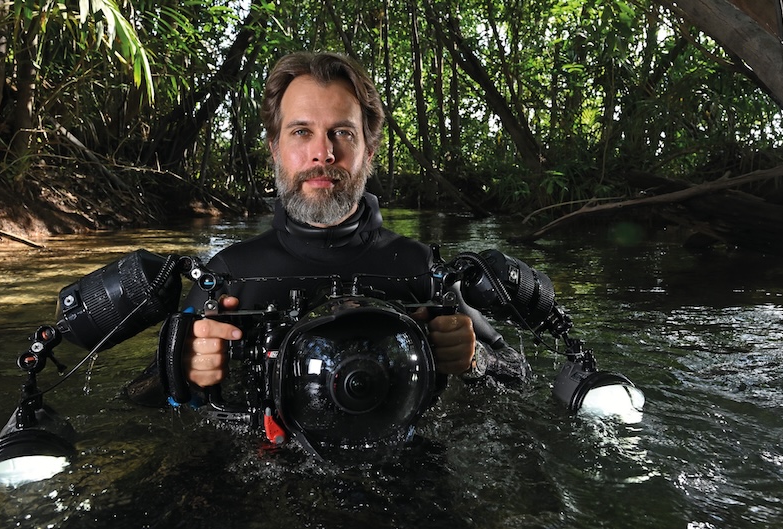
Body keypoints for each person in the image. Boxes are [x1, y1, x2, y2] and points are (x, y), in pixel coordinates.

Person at [128, 51, 530, 414]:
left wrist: (474, 360)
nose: (323, 152)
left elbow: (517, 377)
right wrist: (181, 373)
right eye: (301, 132)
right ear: (275, 149)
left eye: (342, 132)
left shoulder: (422, 270)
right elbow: (137, 401)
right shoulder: (230, 275)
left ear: (369, 151)